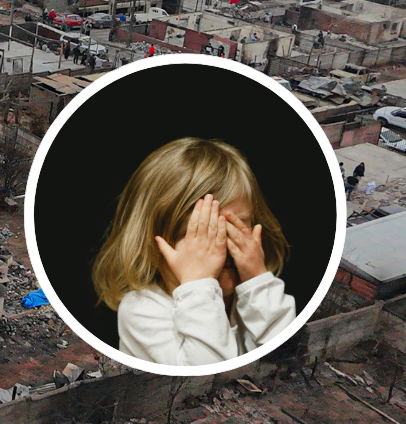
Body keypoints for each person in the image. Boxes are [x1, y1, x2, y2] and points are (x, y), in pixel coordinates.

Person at [92, 138, 294, 366]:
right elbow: (207, 380)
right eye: (202, 234)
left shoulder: (255, 300)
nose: (221, 247)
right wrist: (200, 284)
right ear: (154, 241)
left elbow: (291, 355)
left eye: (235, 227)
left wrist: (259, 283)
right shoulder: (141, 310)